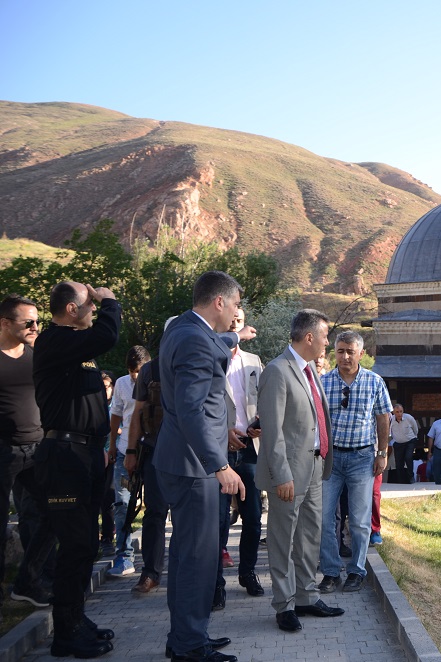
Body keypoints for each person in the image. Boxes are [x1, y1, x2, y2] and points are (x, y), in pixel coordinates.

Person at [153, 271, 253, 662]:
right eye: (234, 306)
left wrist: (236, 338)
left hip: (179, 459)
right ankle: (190, 646)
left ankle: (184, 635)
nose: (236, 314)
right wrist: (219, 466)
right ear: (218, 303)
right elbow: (192, 409)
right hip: (195, 465)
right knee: (198, 556)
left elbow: (217, 341)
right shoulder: (195, 340)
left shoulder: (182, 328)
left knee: (184, 554)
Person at [33, 281, 120, 658]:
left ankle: (75, 619)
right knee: (75, 544)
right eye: (89, 304)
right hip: (64, 455)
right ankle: (64, 634)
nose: (94, 307)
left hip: (84, 453)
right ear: (71, 309)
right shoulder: (54, 341)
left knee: (85, 544)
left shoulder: (76, 346)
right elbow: (107, 334)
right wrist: (111, 302)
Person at [258, 309, 345, 632]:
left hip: (316, 467)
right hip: (289, 473)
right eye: (324, 336)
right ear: (309, 337)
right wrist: (281, 475)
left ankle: (307, 596)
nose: (327, 342)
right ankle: (284, 605)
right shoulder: (278, 371)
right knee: (283, 539)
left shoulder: (309, 371)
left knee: (310, 535)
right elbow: (273, 430)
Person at [318, 330, 391, 593]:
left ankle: (356, 571)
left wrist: (382, 453)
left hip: (362, 458)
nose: (345, 356)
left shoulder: (374, 382)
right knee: (325, 519)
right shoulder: (323, 383)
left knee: (360, 521)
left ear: (361, 353)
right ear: (334, 353)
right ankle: (329, 571)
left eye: (351, 351)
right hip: (331, 460)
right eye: (340, 351)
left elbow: (383, 418)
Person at [0, 294, 56, 611]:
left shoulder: (36, 356)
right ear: (5, 323)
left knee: (53, 514)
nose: (36, 326)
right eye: (29, 322)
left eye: (38, 321)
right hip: (3, 451)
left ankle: (27, 582)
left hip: (37, 449)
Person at [124, 317, 176, 595]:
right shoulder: (149, 371)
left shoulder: (195, 365)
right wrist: (131, 452)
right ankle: (150, 573)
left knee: (185, 517)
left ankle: (184, 573)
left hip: (189, 455)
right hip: (155, 451)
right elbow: (137, 414)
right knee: (154, 513)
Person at [219, 307, 265, 603]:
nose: (236, 323)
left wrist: (260, 423)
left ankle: (248, 572)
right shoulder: (211, 355)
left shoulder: (254, 361)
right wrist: (225, 432)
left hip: (249, 448)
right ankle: (215, 585)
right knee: (219, 519)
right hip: (219, 448)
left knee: (253, 516)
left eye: (240, 320)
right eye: (232, 319)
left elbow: (261, 399)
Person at [107, 345, 150, 578]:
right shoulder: (123, 384)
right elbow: (116, 415)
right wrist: (113, 444)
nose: (135, 376)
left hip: (150, 450)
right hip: (125, 452)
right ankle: (123, 556)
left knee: (154, 505)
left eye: (139, 371)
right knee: (122, 504)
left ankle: (153, 559)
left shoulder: (156, 380)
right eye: (132, 371)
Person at [98, 371, 116, 558]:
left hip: (114, 456)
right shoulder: (95, 405)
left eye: (106, 387)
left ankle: (107, 539)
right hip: (95, 455)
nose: (104, 391)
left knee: (108, 499)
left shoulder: (115, 405)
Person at [389, 402, 418, 484]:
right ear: (394, 412)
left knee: (408, 457)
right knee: (398, 462)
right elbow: (389, 432)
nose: (399, 414)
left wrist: (414, 437)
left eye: (401, 411)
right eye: (397, 412)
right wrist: (393, 442)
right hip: (398, 443)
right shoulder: (391, 420)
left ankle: (411, 477)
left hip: (409, 441)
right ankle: (401, 480)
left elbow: (415, 429)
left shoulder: (409, 418)